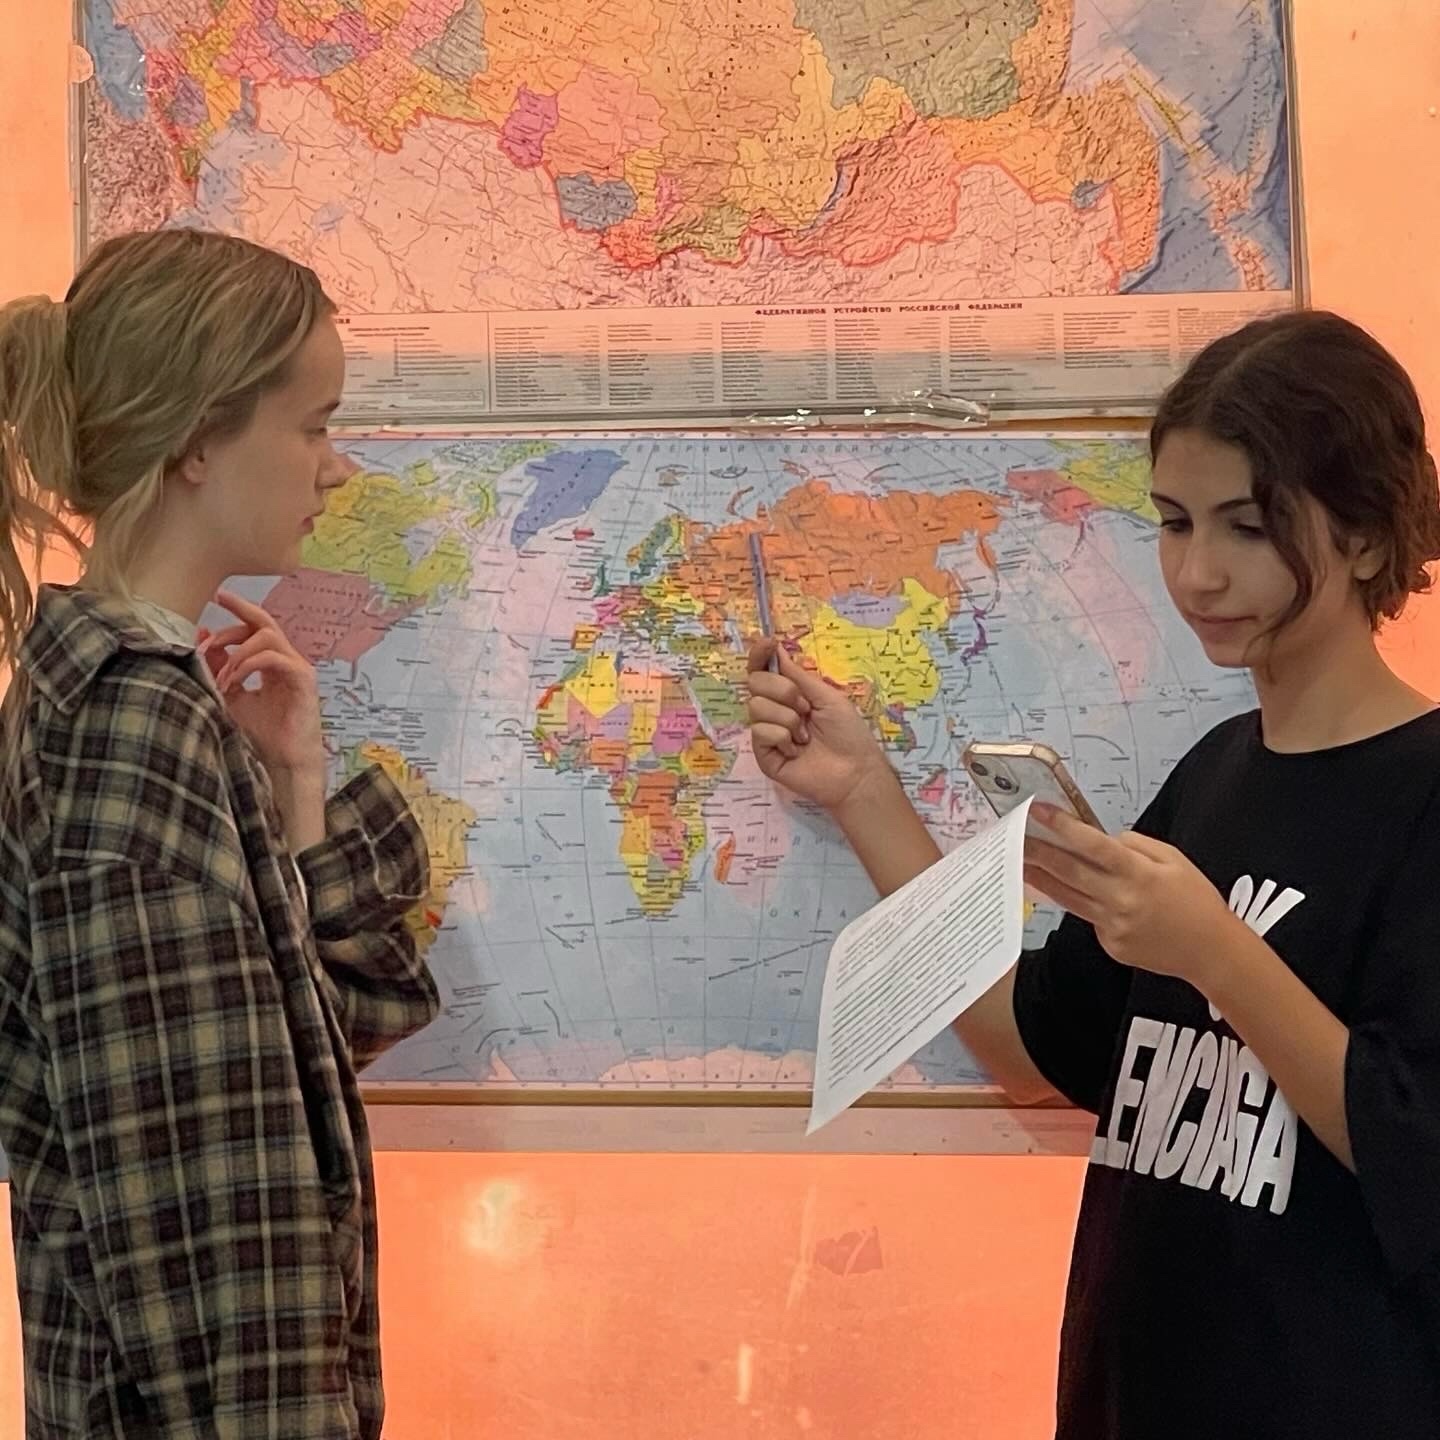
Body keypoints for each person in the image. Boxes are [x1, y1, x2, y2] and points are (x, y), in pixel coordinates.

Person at [747, 310, 1440, 1438]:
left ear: (1365, 537)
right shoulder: (1216, 772)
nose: (1198, 573)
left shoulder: (1423, 795)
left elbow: (1413, 1149)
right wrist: (863, 789)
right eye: (1173, 522)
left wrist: (1215, 952)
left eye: (1249, 527)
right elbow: (1029, 1049)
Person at [0, 229, 440, 1438]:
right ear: (200, 439)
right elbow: (205, 1246)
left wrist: (298, 782)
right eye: (313, 426)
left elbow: (301, 1060)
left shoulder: (143, 705)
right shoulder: (128, 736)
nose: (335, 469)